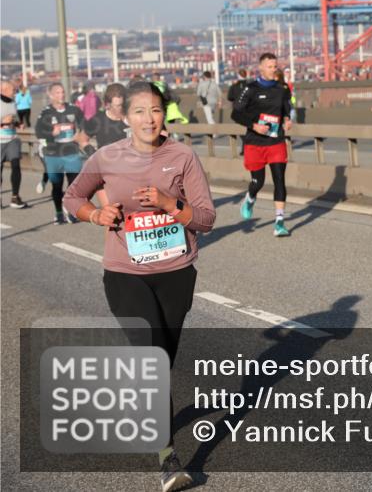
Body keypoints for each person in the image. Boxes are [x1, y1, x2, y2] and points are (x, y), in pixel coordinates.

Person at [63, 80, 216, 492]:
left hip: (176, 272)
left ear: (164, 113)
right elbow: (72, 197)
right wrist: (95, 215)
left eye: (155, 110)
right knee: (151, 359)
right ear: (123, 117)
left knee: (162, 362)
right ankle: (169, 459)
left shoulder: (182, 156)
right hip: (125, 273)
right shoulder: (107, 157)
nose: (148, 119)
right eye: (139, 112)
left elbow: (205, 219)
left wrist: (170, 205)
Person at [232, 53, 293, 237]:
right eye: (269, 66)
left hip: (276, 141)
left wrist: (288, 119)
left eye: (275, 66)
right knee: (258, 182)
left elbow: (286, 108)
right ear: (260, 68)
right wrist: (254, 126)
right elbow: (235, 114)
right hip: (255, 142)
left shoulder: (282, 89)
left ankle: (279, 223)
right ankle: (250, 198)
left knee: (279, 180)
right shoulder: (250, 89)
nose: (273, 69)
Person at [35, 83, 89, 223]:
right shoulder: (46, 112)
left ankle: (71, 211)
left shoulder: (73, 109)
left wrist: (81, 133)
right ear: (51, 95)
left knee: (74, 186)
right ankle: (59, 212)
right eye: (58, 93)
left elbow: (84, 124)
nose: (61, 95)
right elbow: (38, 132)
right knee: (57, 186)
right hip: (53, 153)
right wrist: (52, 133)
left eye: (63, 92)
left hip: (71, 151)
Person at [1, 80, 27, 209]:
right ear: (3, 90)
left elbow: (14, 118)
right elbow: (5, 120)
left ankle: (15, 197)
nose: (14, 92)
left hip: (12, 138)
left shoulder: (12, 103)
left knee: (16, 165)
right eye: (12, 90)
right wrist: (2, 123)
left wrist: (18, 124)